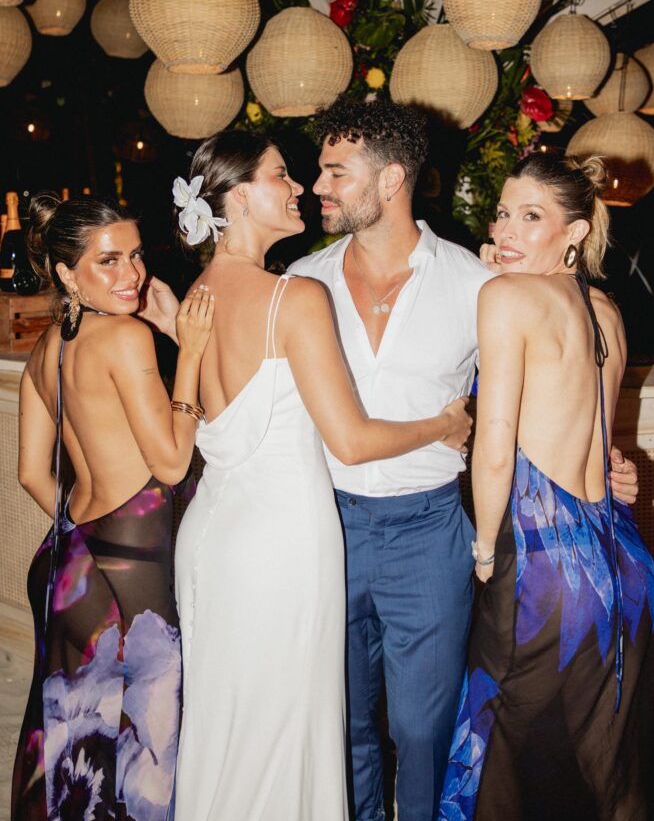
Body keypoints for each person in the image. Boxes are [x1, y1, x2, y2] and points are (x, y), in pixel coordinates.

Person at [287, 98, 641, 821]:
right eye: (503, 215)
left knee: (429, 731)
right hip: (324, 523)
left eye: (333, 172)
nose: (316, 187)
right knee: (344, 723)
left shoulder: (478, 284)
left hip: (431, 533)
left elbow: (527, 415)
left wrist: (606, 464)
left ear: (390, 180)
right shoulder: (300, 283)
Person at [170, 133, 471, 821]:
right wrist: (442, 426)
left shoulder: (197, 294)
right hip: (281, 547)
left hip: (214, 539)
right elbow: (353, 440)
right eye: (282, 175)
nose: (300, 185)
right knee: (285, 734)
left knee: (229, 726)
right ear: (239, 196)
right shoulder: (296, 294)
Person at [439, 155, 654, 821]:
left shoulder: (505, 298)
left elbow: (497, 448)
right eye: (503, 212)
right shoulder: (605, 310)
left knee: (497, 751)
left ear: (575, 230)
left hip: (545, 571)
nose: (506, 228)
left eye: (530, 216)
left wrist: (480, 551)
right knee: (608, 770)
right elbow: (590, 430)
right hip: (621, 562)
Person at [12, 193, 214, 821]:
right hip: (133, 566)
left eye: (134, 255)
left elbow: (28, 473)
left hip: (68, 559)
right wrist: (190, 345)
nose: (132, 275)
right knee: (144, 755)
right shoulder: (125, 339)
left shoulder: (47, 351)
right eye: (108, 261)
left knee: (77, 744)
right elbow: (173, 462)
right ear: (67, 273)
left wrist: (80, 547)